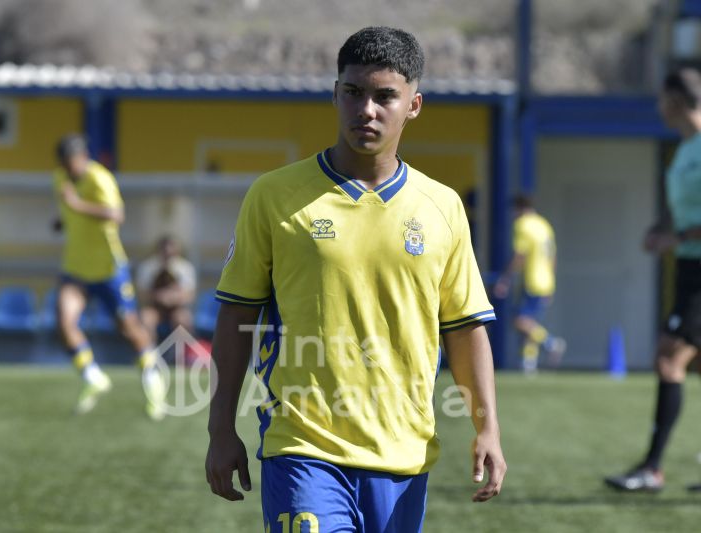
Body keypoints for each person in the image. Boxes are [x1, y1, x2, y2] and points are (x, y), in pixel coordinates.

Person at [205, 27, 506, 532]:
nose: (366, 109)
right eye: (353, 92)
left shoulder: (443, 207)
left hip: (403, 454)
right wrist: (220, 429)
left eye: (385, 95)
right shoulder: (274, 196)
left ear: (413, 105)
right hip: (302, 445)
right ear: (335, 94)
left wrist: (487, 427)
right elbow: (237, 313)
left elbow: (464, 328)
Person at [605, 68, 701, 493]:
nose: (658, 107)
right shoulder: (684, 149)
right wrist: (661, 226)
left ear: (678, 101)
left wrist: (675, 237)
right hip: (688, 267)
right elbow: (682, 207)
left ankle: (653, 468)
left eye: (662, 99)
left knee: (669, 358)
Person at [52, 134, 166, 419]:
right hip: (76, 268)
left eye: (73, 162)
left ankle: (153, 379)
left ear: (83, 157)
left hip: (108, 268)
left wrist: (78, 206)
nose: (69, 168)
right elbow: (68, 211)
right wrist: (63, 219)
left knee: (128, 327)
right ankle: (93, 378)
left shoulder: (100, 179)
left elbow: (116, 214)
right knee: (65, 321)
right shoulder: (60, 179)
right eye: (65, 164)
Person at [493, 194, 565, 374]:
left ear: (519, 209)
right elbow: (552, 256)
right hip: (546, 281)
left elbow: (520, 254)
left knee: (520, 321)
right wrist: (552, 281)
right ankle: (528, 363)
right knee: (531, 324)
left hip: (532, 280)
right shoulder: (544, 225)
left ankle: (551, 343)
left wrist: (506, 278)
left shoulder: (523, 225)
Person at [135, 235, 197, 339]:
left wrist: (174, 297)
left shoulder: (185, 267)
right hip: (154, 308)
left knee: (183, 320)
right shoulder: (147, 267)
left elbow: (190, 295)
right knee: (145, 319)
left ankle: (179, 353)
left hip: (177, 309)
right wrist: (158, 297)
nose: (167, 252)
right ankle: (150, 352)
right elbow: (142, 294)